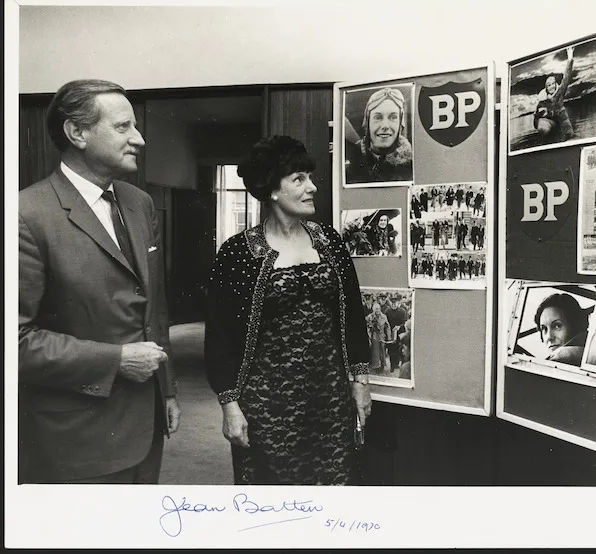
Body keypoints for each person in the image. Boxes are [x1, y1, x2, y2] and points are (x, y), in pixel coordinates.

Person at [18, 79, 180, 484]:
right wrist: (117, 361)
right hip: (76, 439)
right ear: (77, 133)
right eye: (123, 127)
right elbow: (14, 340)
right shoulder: (24, 214)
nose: (139, 139)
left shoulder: (139, 203)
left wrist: (169, 388)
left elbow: (152, 307)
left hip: (148, 423)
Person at [205, 136, 371, 485]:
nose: (311, 187)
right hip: (267, 404)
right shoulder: (238, 253)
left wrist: (360, 382)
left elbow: (354, 316)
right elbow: (219, 338)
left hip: (328, 399)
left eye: (310, 177)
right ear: (272, 189)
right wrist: (229, 405)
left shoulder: (330, 241)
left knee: (333, 489)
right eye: (299, 179)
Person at [345, 87, 413, 184]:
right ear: (367, 123)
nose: (385, 126)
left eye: (393, 117)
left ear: (400, 123)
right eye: (378, 117)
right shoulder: (350, 168)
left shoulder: (414, 168)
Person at [534, 293, 589, 367]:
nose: (549, 337)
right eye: (544, 329)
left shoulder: (560, 358)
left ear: (575, 325)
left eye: (557, 326)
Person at [533, 46, 575, 142]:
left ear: (555, 85)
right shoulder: (542, 100)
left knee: (567, 138)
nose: (551, 87)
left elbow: (566, 78)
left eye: (553, 84)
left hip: (563, 125)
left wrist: (570, 58)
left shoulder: (559, 92)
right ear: (546, 87)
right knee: (544, 130)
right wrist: (539, 122)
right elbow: (536, 119)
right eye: (549, 85)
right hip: (551, 124)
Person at [366, 302, 392, 374]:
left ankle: (382, 366)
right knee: (375, 352)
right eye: (376, 309)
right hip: (374, 336)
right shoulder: (370, 317)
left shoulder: (384, 316)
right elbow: (367, 327)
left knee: (382, 352)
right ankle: (375, 366)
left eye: (378, 309)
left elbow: (387, 327)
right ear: (373, 310)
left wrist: (389, 336)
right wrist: (369, 335)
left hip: (382, 336)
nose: (377, 310)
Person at [385, 296, 408, 373]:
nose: (394, 305)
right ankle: (392, 365)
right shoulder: (387, 311)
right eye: (392, 303)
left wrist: (399, 326)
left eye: (395, 303)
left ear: (398, 303)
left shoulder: (402, 311)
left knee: (398, 349)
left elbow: (405, 322)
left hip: (399, 333)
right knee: (391, 350)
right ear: (390, 303)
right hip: (390, 333)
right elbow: (385, 322)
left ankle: (396, 363)